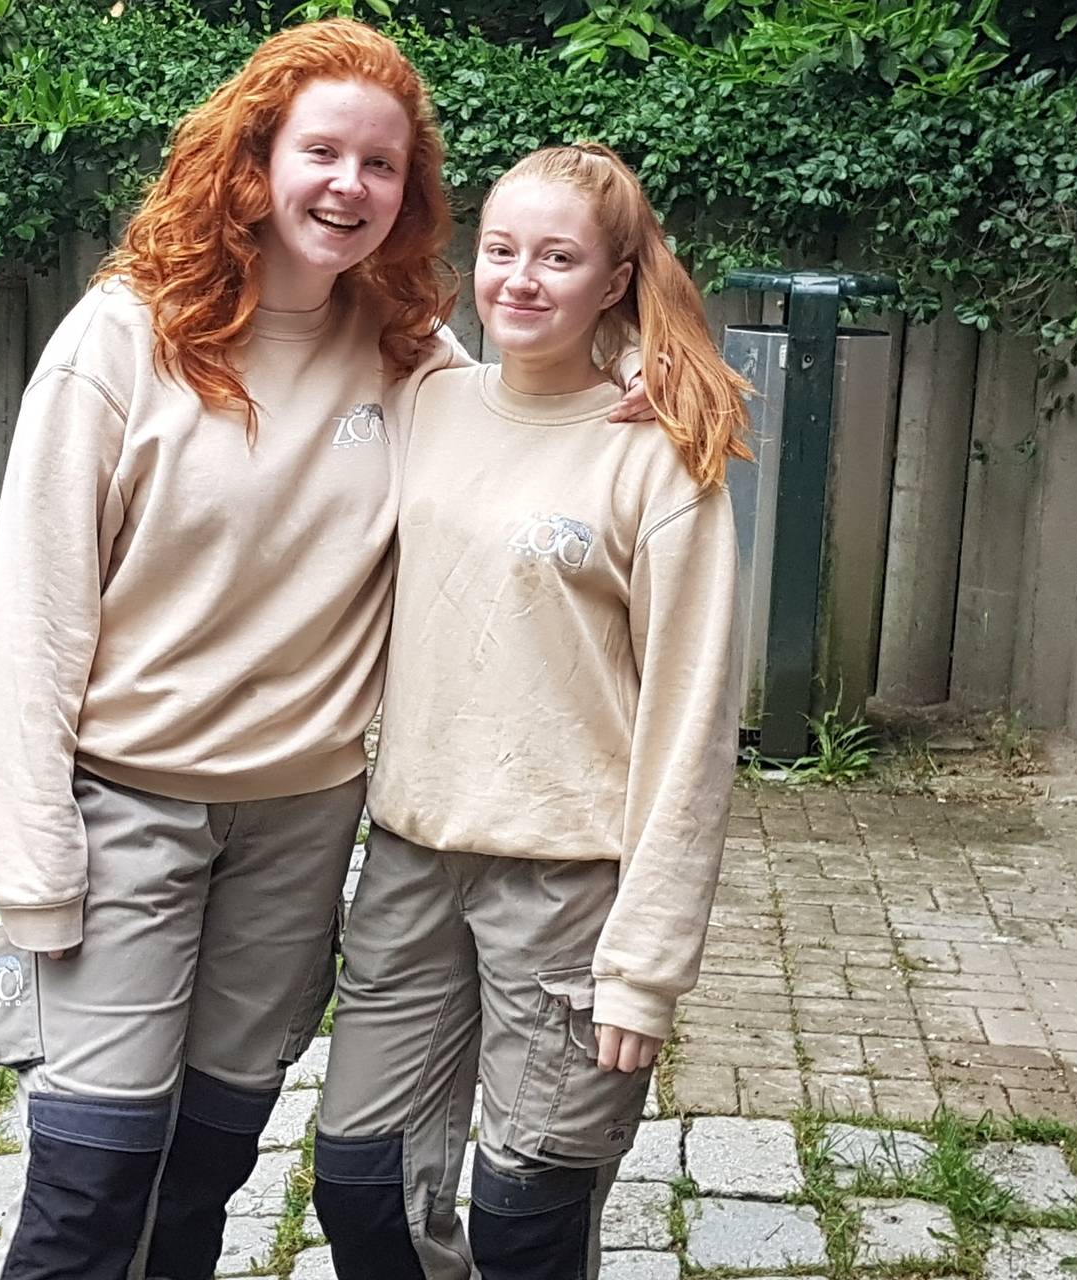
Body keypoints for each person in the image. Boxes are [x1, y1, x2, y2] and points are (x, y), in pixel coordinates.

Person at [0, 23, 646, 1279]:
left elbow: (535, 405)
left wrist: (641, 382)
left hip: (300, 821)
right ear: (252, 160)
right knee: (92, 1170)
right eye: (320, 151)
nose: (348, 185)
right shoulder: (122, 341)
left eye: (380, 165)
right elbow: (32, 622)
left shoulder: (405, 355)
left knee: (208, 1160)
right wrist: (29, 873)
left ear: (408, 194)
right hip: (128, 805)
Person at [307, 142, 747, 1278]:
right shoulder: (423, 397)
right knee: (361, 1189)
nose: (521, 279)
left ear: (612, 281)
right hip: (411, 855)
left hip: (568, 887)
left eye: (559, 258)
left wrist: (644, 962)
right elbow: (315, 293)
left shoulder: (658, 460)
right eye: (500, 250)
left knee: (524, 1214)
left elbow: (690, 722)